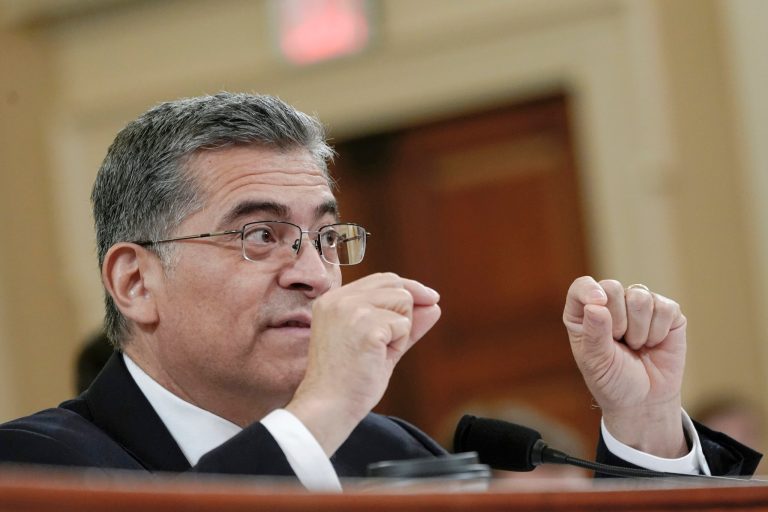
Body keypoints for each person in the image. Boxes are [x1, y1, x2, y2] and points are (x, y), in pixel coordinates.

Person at [0, 93, 759, 489]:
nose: (312, 272)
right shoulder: (34, 465)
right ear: (136, 282)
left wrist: (645, 425)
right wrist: (324, 407)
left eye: (326, 237)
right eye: (259, 235)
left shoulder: (382, 448)